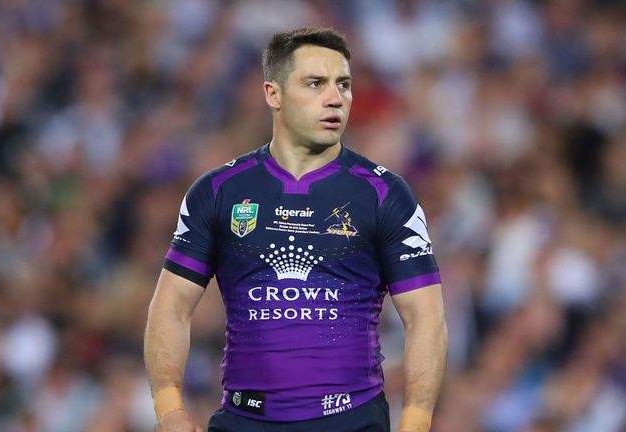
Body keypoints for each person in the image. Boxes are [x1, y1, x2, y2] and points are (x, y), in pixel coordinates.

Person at [144, 27, 448, 432]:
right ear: (273, 94)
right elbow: (171, 306)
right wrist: (170, 409)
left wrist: (416, 421)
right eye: (315, 84)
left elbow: (427, 319)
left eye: (344, 85)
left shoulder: (385, 194)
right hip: (242, 419)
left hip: (351, 421)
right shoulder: (218, 191)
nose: (335, 98)